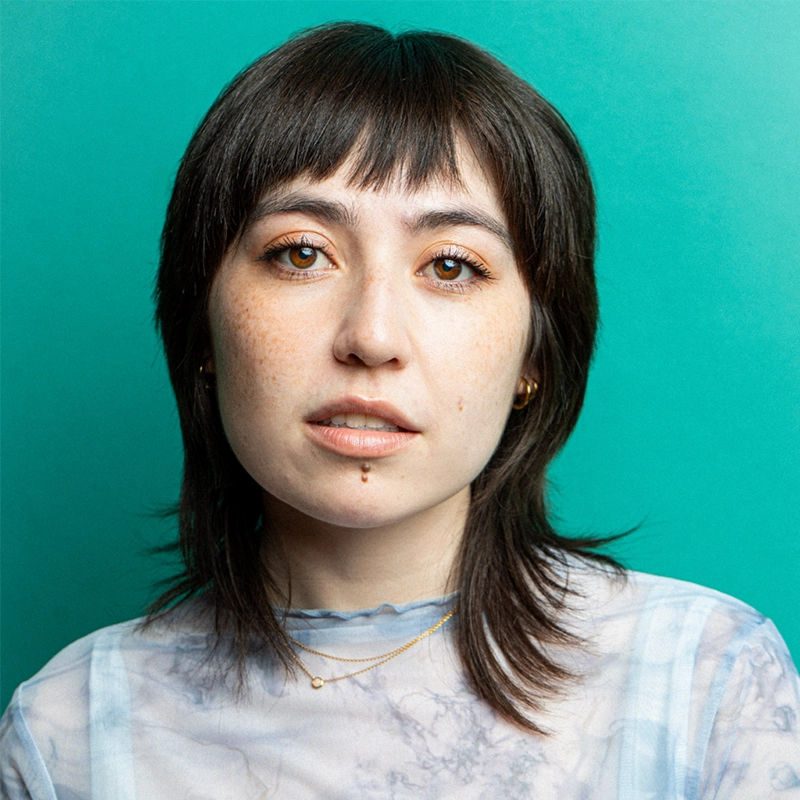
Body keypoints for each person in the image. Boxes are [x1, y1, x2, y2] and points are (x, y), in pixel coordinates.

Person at [1, 21, 798, 799]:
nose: (372, 337)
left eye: (450, 266)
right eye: (302, 253)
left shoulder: (704, 685)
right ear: (201, 324)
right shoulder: (72, 733)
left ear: (535, 355)